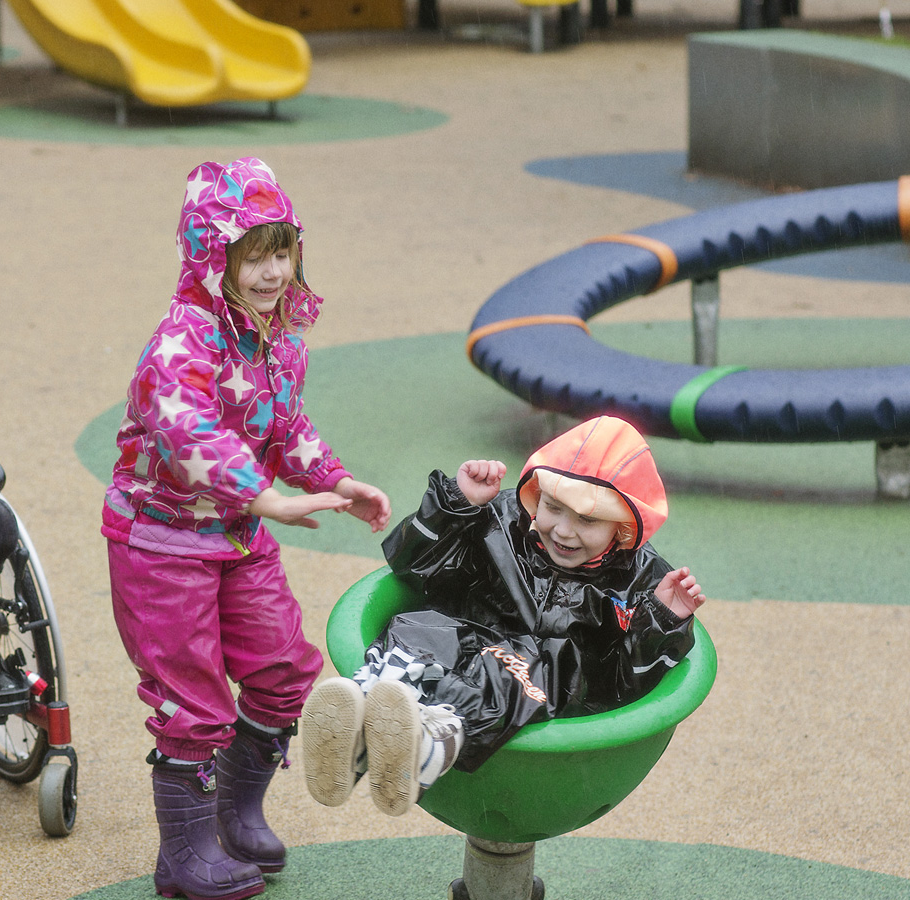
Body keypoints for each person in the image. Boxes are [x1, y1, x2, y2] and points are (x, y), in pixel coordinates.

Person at [104, 157, 391, 900]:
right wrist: (268, 500)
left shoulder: (277, 337)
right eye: (250, 255)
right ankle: (186, 851)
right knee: (191, 698)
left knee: (282, 670)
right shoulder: (180, 344)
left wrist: (332, 478)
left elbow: (283, 423)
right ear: (211, 256)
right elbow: (188, 435)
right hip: (163, 543)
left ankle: (234, 810)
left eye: (281, 250)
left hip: (236, 538)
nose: (270, 272)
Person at [300, 416, 704, 817]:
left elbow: (628, 683)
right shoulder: (504, 520)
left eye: (587, 519)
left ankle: (430, 742)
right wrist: (457, 504)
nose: (563, 530)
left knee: (514, 669)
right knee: (417, 628)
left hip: (547, 685)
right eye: (553, 508)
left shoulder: (640, 582)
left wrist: (663, 619)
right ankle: (362, 720)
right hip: (467, 641)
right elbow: (413, 568)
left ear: (623, 528)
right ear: (536, 496)